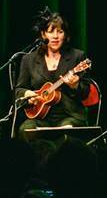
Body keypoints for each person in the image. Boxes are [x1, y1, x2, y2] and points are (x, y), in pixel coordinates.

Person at [15, 9, 91, 137]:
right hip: (39, 116)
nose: (55, 36)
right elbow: (19, 90)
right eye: (51, 32)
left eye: (60, 32)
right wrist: (27, 94)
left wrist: (75, 86)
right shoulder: (29, 59)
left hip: (69, 115)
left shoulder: (77, 56)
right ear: (43, 35)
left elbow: (86, 93)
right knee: (25, 130)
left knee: (64, 132)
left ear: (65, 35)